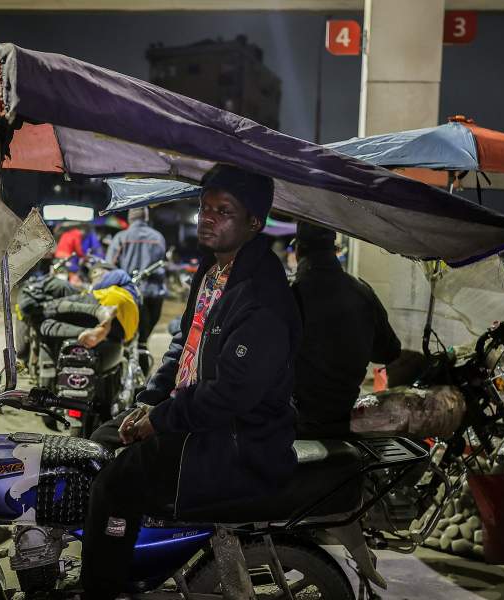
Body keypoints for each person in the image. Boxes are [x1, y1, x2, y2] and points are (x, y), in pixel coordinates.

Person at [81, 164, 301, 599]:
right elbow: (184, 344)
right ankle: (122, 557)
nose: (208, 218)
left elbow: (232, 393)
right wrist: (147, 402)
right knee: (97, 444)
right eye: (204, 208)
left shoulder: (263, 296)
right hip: (196, 420)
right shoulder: (211, 272)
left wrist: (160, 420)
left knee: (114, 481)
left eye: (224, 211)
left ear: (254, 223)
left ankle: (102, 590)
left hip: (237, 441)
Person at [291, 221, 400, 437]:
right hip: (344, 420)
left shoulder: (291, 295)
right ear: (335, 250)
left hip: (297, 425)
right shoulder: (363, 293)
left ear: (299, 250)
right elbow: (390, 351)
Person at [105, 207, 167, 351]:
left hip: (130, 295)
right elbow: (162, 264)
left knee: (130, 339)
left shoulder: (121, 237)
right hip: (154, 294)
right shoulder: (158, 237)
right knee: (144, 340)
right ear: (146, 218)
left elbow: (109, 267)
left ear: (130, 218)